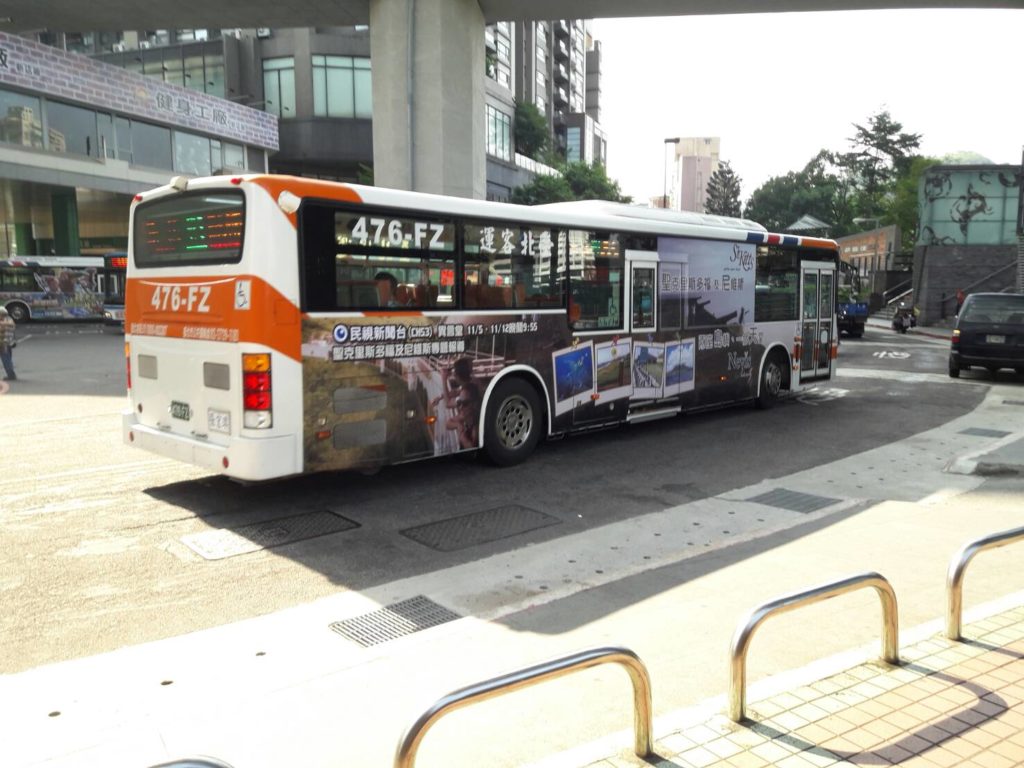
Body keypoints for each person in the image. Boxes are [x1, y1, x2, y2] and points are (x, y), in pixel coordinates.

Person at [431, 357, 482, 449]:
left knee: (468, 444)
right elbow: (455, 392)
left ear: (458, 376)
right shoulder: (474, 382)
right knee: (450, 423)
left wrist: (443, 379)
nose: (453, 375)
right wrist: (440, 397)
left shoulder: (465, 393)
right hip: (475, 420)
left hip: (472, 428)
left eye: (455, 373)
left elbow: (448, 404)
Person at [0, 306, 16, 381]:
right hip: (9, 343)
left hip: (3, 344)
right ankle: (11, 374)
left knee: (6, 359)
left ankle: (11, 375)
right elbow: (12, 325)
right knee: (8, 358)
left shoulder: (4, 322)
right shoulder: (10, 320)